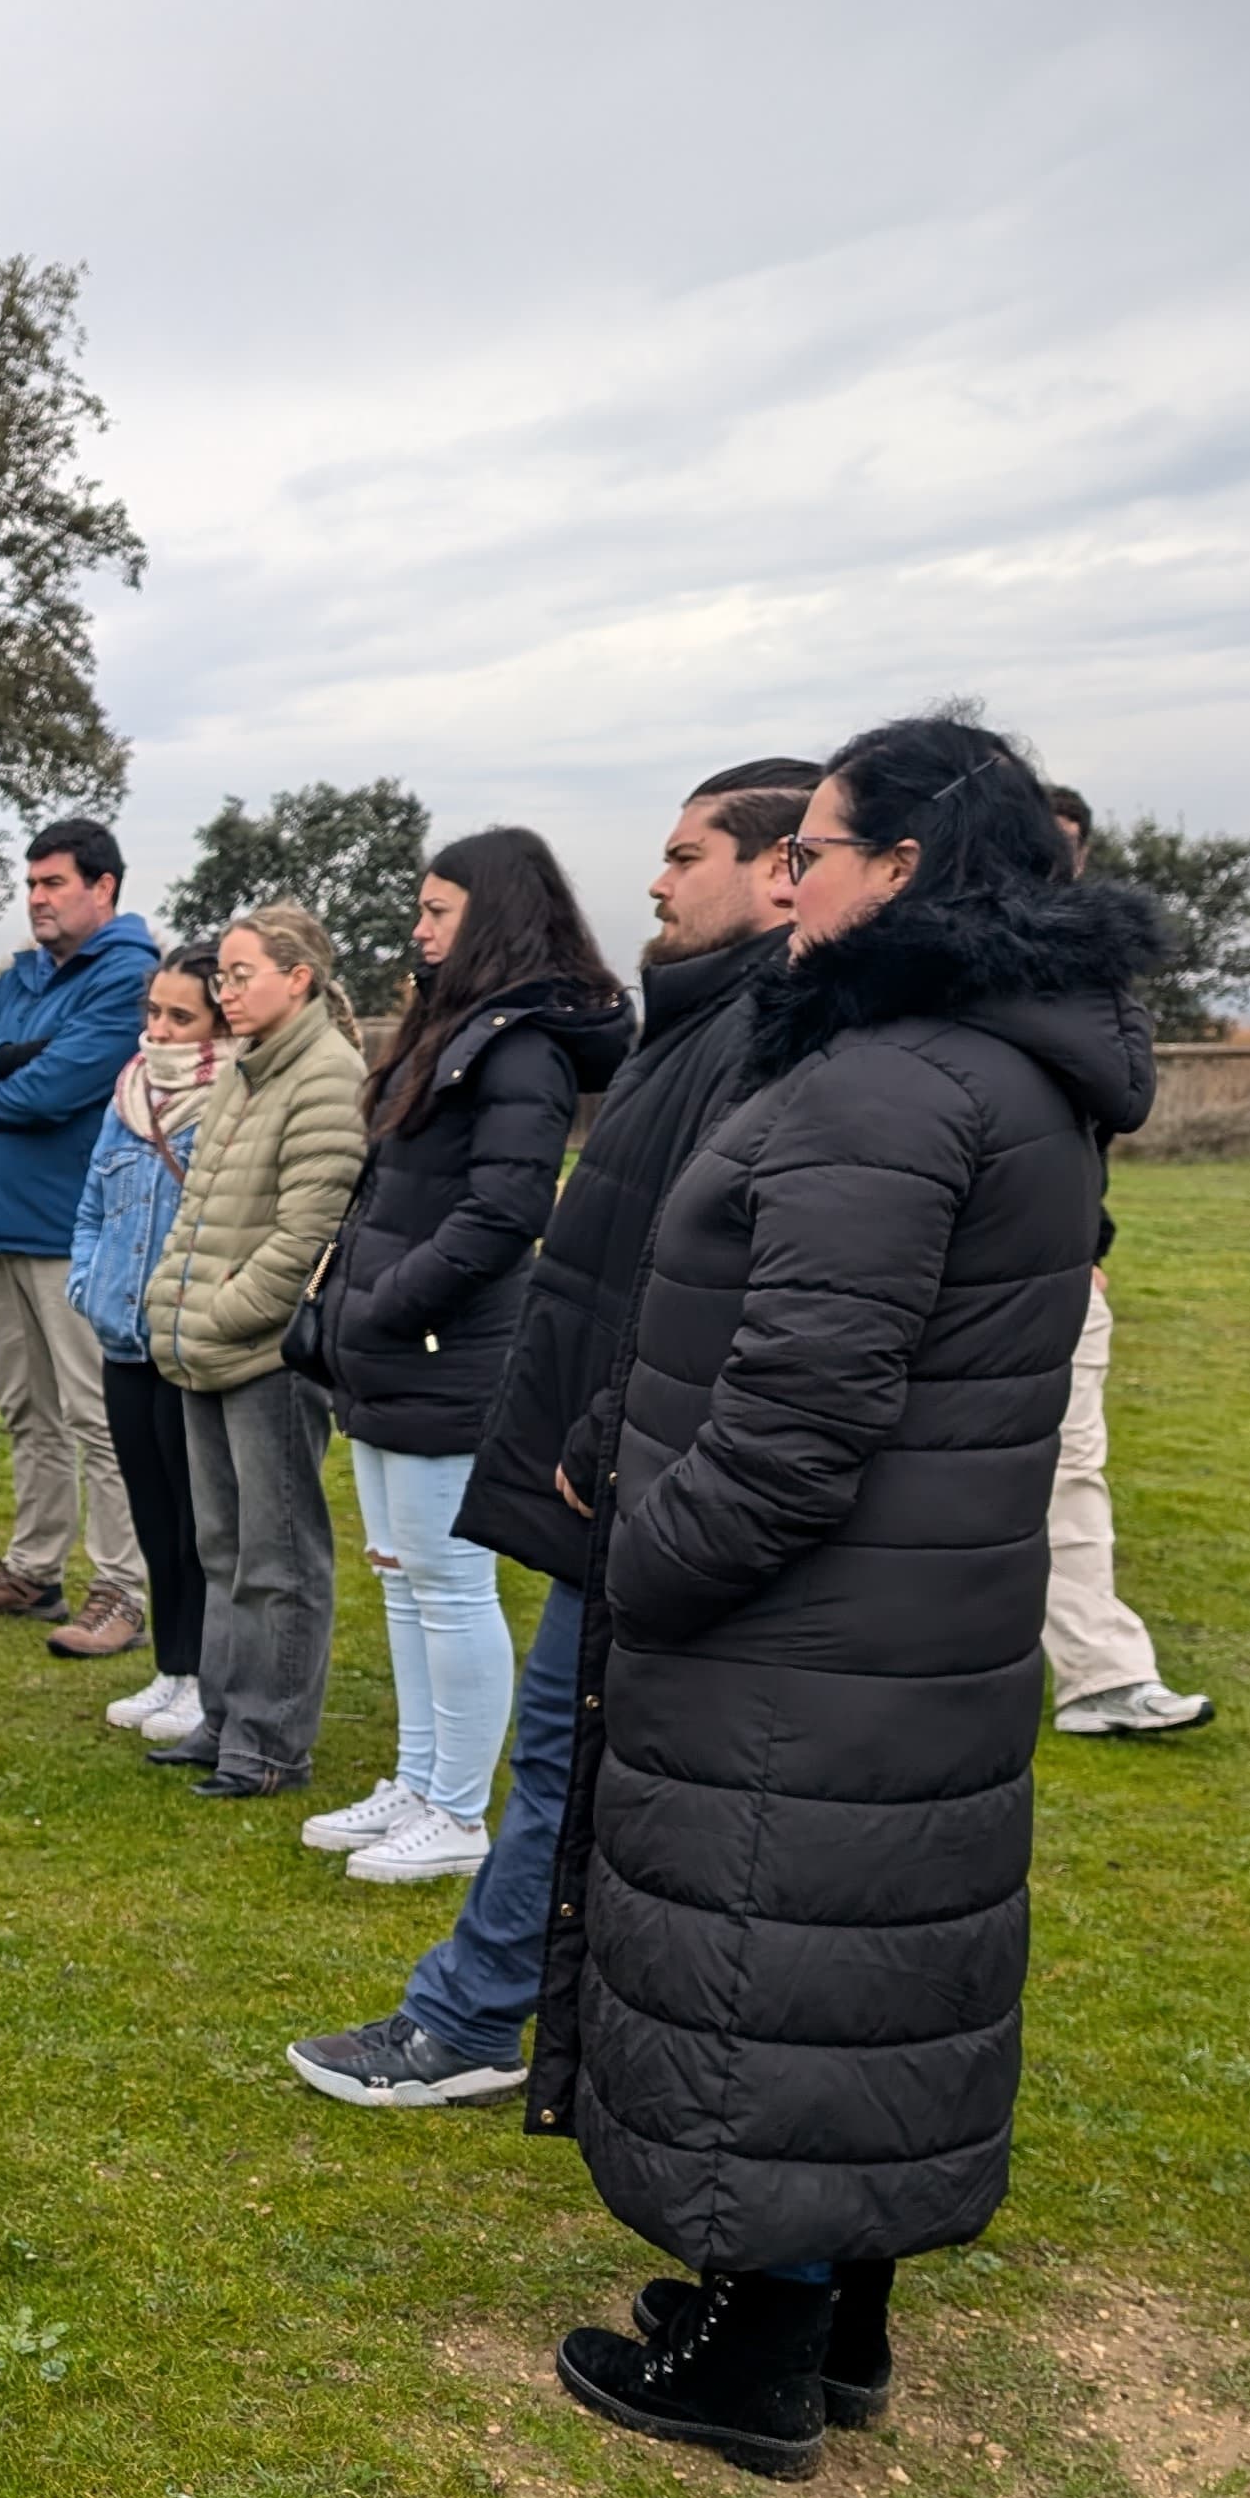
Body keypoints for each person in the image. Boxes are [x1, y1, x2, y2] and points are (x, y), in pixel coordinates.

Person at [538, 714, 1162, 2479]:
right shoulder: (987, 1061)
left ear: (904, 873)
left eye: (811, 846)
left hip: (807, 1625)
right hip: (907, 1625)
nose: (786, 874)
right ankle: (830, 2313)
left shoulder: (895, 1083)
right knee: (860, 1959)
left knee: (771, 1956)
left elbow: (801, 1418)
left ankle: (757, 2351)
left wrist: (645, 1562)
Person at [286, 763, 820, 2106]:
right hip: (607, 1431)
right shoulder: (691, 1025)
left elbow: (557, 1227)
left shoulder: (747, 1036)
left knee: (556, 1731)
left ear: (777, 871)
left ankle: (473, 2004)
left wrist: (398, 1314)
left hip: (638, 1450)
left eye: (684, 853)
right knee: (550, 1725)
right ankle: (491, 1973)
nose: (654, 877)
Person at [301, 830, 630, 1886]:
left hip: (445, 1349)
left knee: (449, 1583)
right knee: (401, 1579)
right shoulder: (449, 1032)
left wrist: (387, 1304)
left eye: (439, 911)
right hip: (390, 1348)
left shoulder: (519, 1048)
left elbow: (505, 1211)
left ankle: (454, 1809)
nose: (420, 929)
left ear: (489, 917)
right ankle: (416, 1777)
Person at [137, 906, 367, 1796]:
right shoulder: (246, 1071)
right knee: (225, 1547)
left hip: (264, 1355)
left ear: (298, 977)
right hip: (205, 1344)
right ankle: (226, 1721)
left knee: (280, 1556)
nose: (226, 991)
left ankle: (271, 1745)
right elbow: (201, 1211)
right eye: (222, 977)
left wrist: (219, 1314)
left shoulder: (326, 1075)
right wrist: (176, 1302)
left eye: (241, 975)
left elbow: (306, 1234)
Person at [0, 817, 157, 1658]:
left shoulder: (127, 974)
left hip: (79, 1230)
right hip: (8, 1224)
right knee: (27, 1408)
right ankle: (33, 1567)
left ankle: (123, 1588)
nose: (37, 900)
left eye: (54, 883)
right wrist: (7, 1062)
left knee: (97, 1416)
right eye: (31, 885)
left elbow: (60, 1087)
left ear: (105, 887)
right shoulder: (26, 973)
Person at [1031, 784, 1211, 1739]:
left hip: (1060, 1266)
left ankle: (1103, 1677)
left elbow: (1097, 1126)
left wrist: (1089, 1247)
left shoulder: (1094, 983)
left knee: (1071, 1467)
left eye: (1065, 849)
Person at [68, 939, 233, 1743]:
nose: (159, 1031)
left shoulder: (232, 1096)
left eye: (180, 1016)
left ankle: (205, 1677)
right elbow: (94, 1202)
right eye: (153, 1012)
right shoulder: (126, 1091)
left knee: (198, 1520)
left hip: (189, 1339)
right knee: (151, 1511)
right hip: (122, 1335)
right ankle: (170, 1668)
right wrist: (85, 1284)